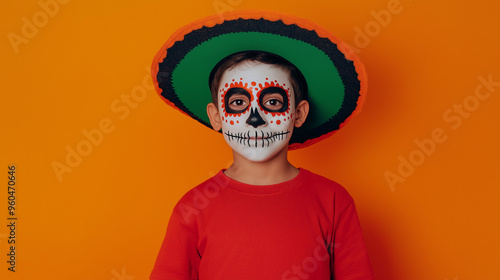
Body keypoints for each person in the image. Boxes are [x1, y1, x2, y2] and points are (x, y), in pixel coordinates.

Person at [150, 11, 374, 280]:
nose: (255, 120)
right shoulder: (193, 208)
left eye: (272, 102)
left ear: (298, 114)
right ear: (216, 117)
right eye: (238, 103)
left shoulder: (334, 201)